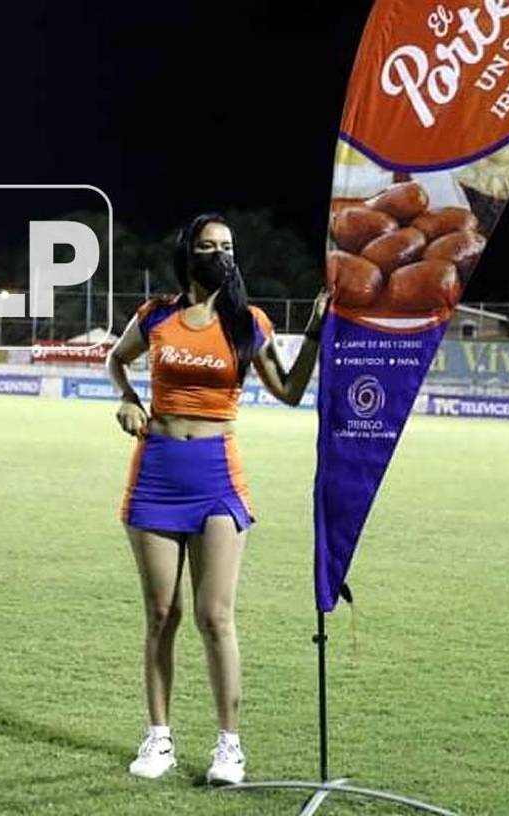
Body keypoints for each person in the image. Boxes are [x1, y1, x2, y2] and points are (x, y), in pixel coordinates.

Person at [105, 212, 328, 785]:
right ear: (188, 253)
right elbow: (115, 358)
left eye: (227, 247)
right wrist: (128, 398)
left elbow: (290, 391)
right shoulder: (156, 314)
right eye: (208, 246)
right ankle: (159, 739)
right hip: (155, 473)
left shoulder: (247, 322)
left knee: (215, 616)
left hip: (216, 478)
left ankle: (230, 746)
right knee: (161, 614)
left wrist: (316, 333)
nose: (220, 255)